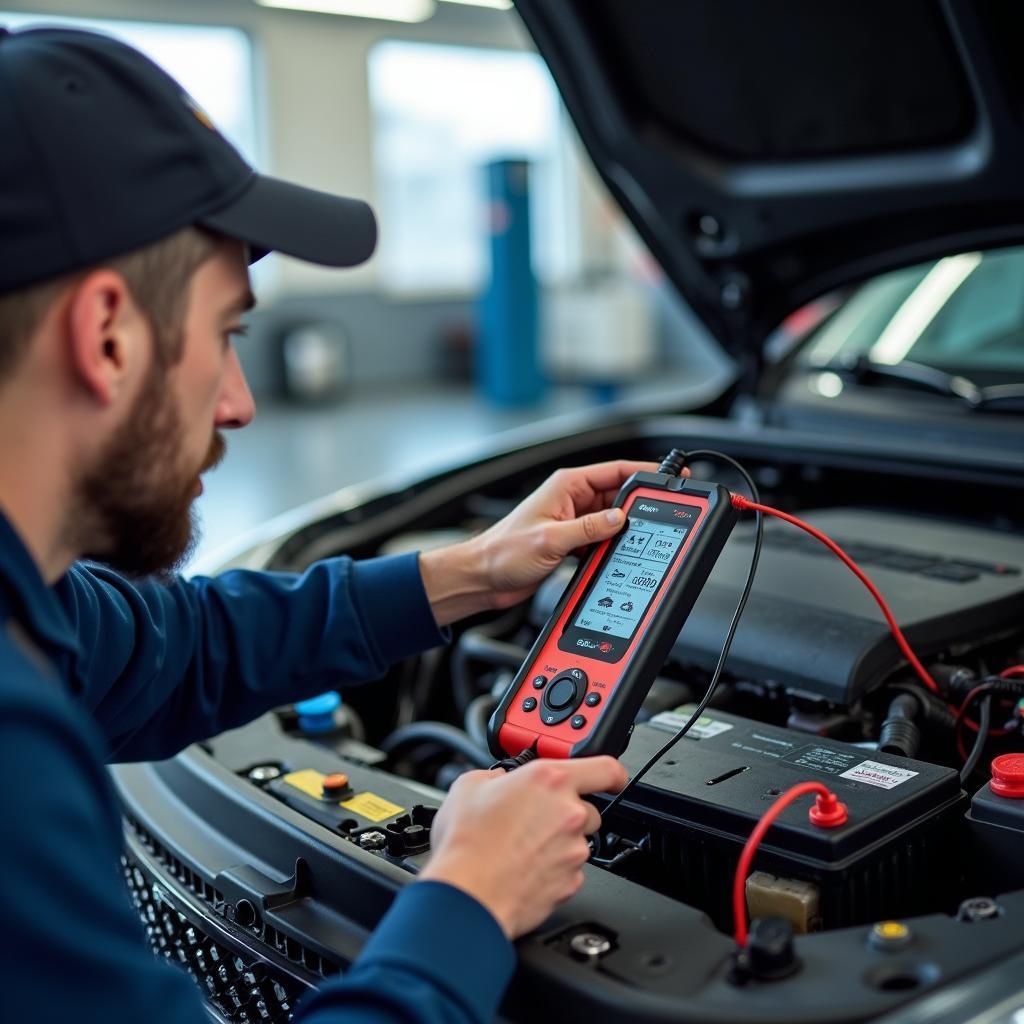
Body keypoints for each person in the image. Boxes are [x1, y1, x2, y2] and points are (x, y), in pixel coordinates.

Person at [0, 25, 644, 1024]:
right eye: (226, 335)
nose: (240, 403)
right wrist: (466, 900)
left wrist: (470, 573)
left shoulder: (28, 601)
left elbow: (182, 648)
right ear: (106, 334)